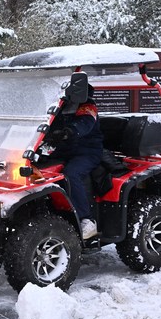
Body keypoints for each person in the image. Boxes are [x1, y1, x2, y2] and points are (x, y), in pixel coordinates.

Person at [48, 88, 104, 239]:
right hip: (64, 150)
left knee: (71, 174)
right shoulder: (59, 105)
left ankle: (86, 219)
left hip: (87, 151)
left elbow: (84, 123)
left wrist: (69, 132)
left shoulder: (87, 106)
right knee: (38, 170)